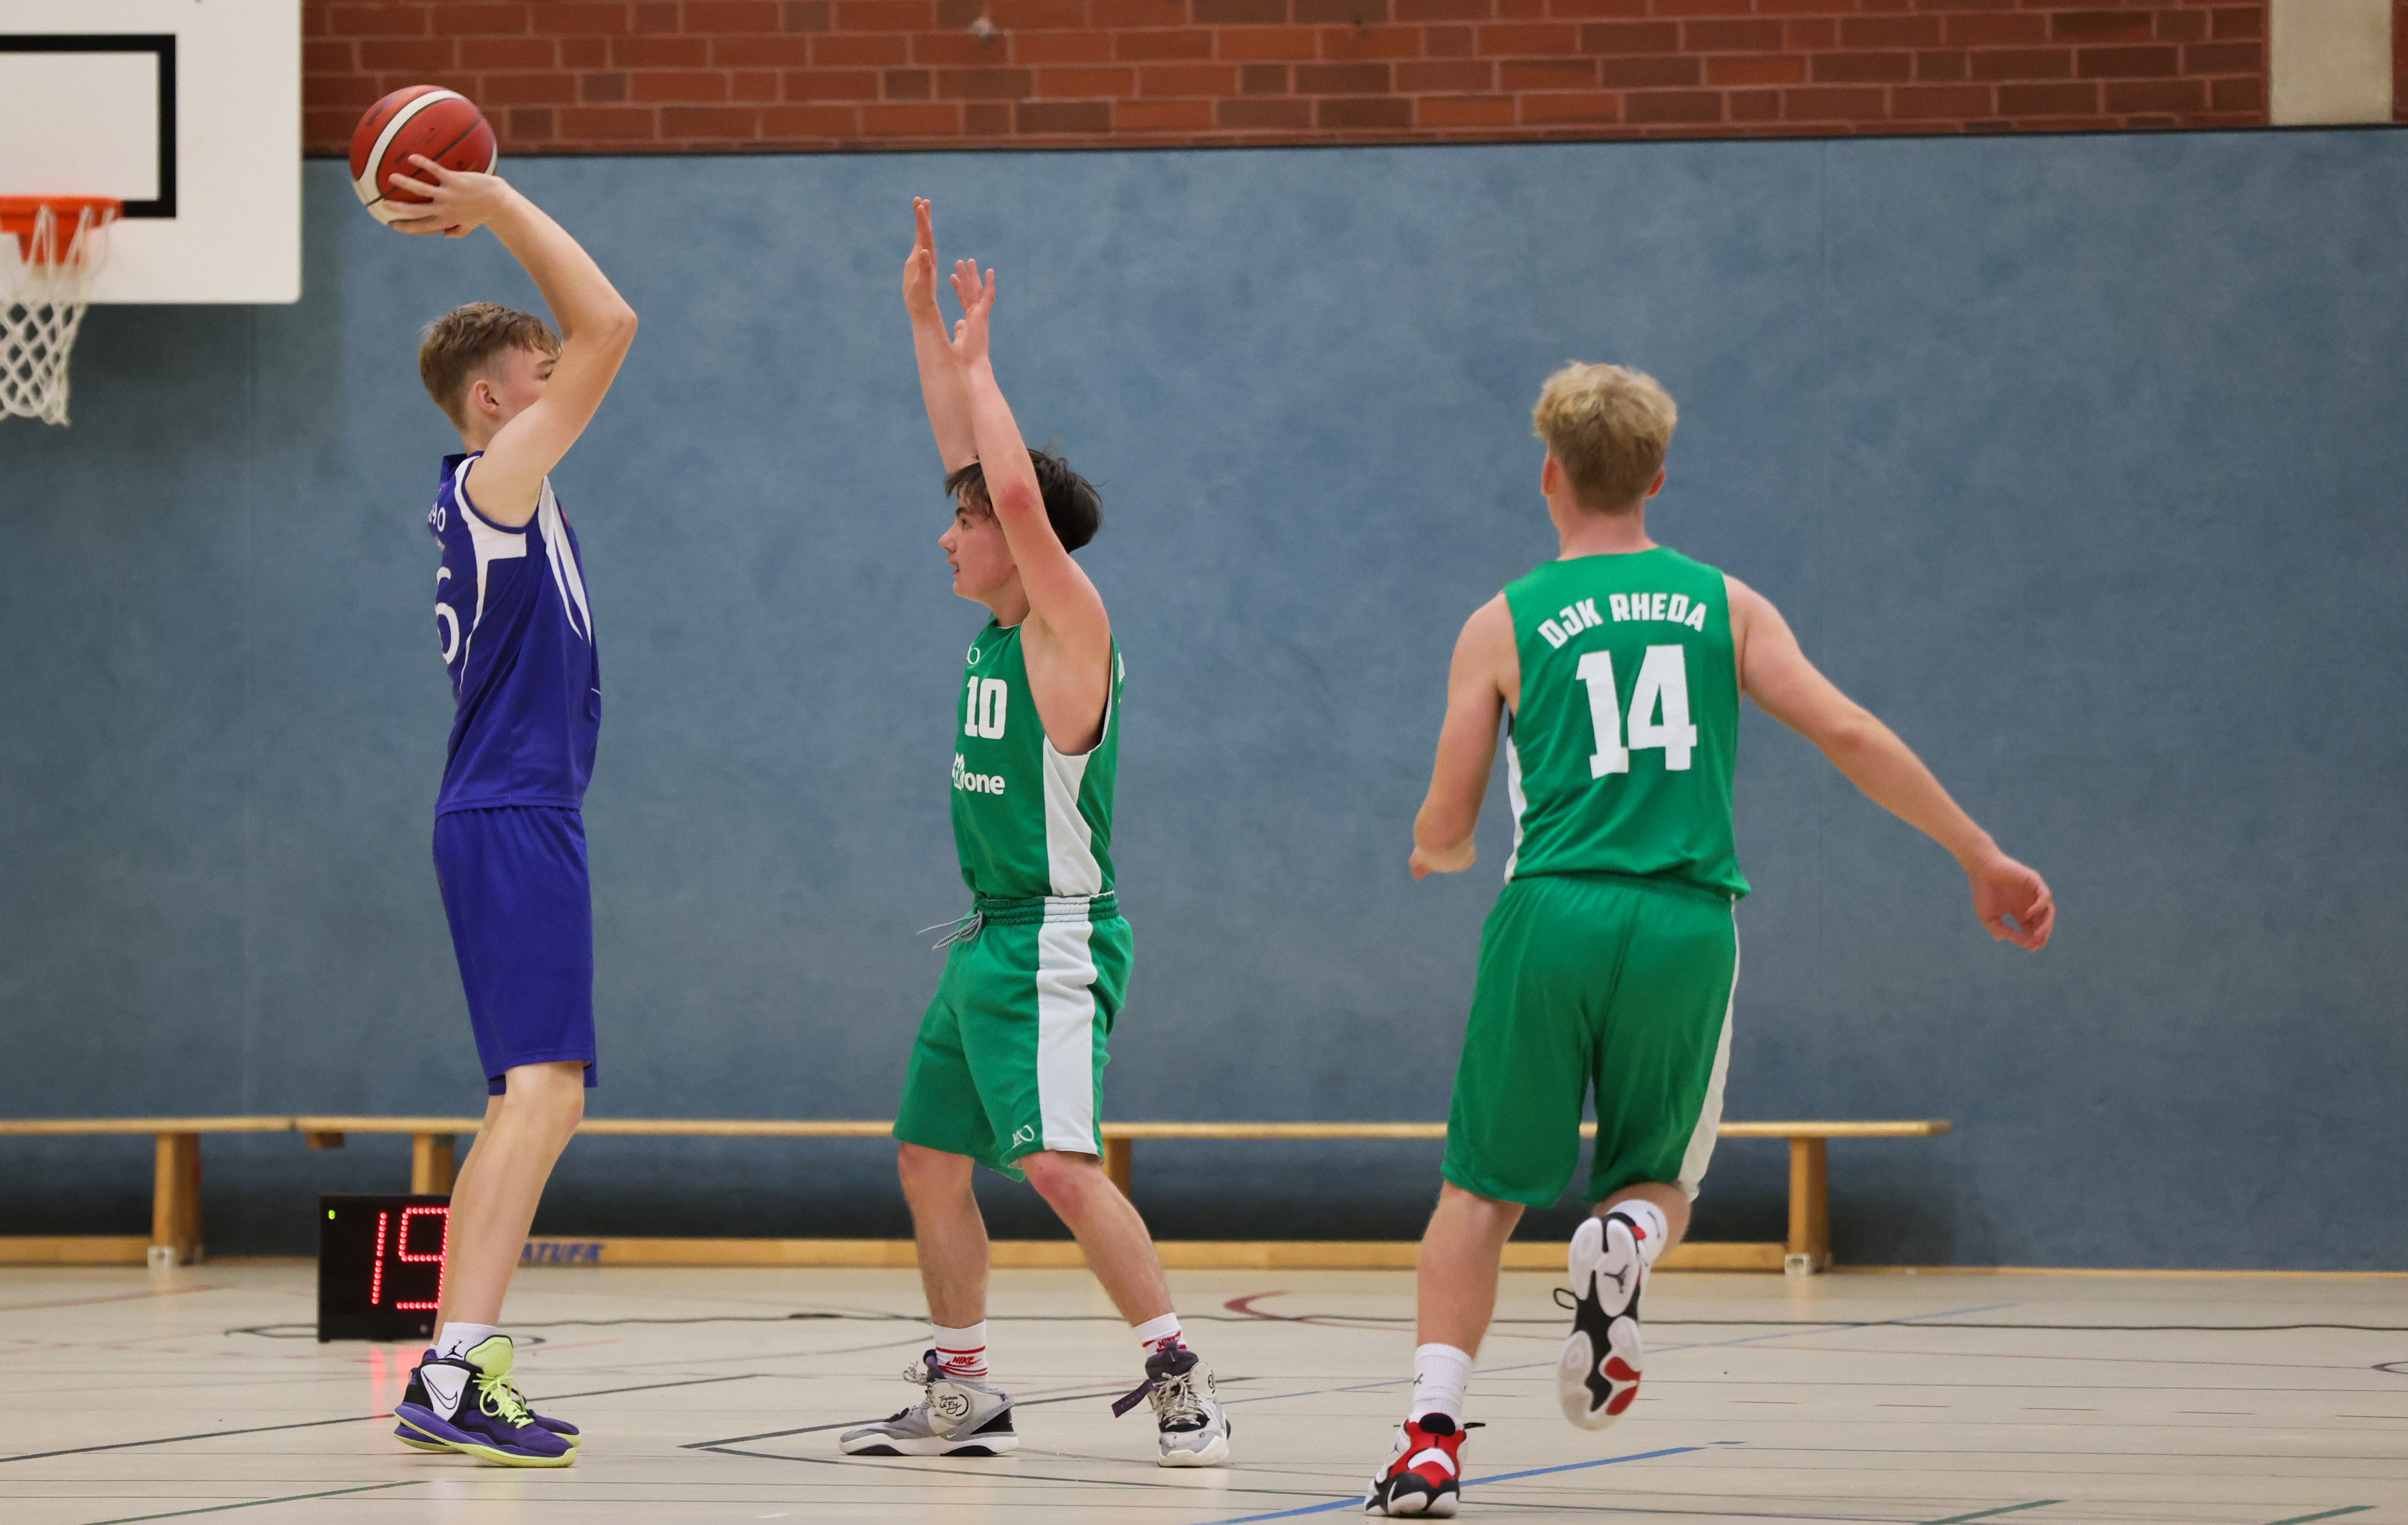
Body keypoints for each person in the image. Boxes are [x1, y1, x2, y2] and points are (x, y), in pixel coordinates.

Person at [1363, 363, 2055, 1517]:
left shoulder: (1501, 621)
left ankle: (1431, 1437)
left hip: (1551, 912)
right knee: (1661, 1176)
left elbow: (1447, 816)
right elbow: (1845, 728)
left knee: (1477, 1190)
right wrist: (1978, 851)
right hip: (1684, 922)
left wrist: (1439, 850)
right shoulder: (1725, 605)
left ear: (1548, 474)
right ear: (1657, 478)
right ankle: (1626, 1234)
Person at [837, 200, 1232, 1468]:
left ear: (1019, 540)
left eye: (964, 524)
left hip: (1056, 942)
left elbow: (1005, 485)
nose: (944, 534)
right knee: (928, 1156)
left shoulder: (1071, 631)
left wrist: (985, 365)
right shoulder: (1004, 624)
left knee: (1058, 1166)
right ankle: (961, 1386)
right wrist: (923, 326)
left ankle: (1179, 1374)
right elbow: (974, 466)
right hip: (986, 939)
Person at [380, 154, 639, 1469]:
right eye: (542, 373)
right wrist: (495, 205)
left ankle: (451, 1364)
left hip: (514, 809)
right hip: (512, 808)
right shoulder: (496, 485)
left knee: (536, 1100)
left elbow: (589, 342)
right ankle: (453, 1370)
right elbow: (613, 324)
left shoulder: (507, 501)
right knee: (541, 1096)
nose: (564, 383)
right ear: (495, 399)